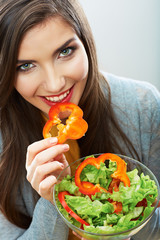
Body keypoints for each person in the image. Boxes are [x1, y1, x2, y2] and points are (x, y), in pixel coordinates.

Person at [0, 0, 160, 239]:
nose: (55, 84)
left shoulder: (144, 105)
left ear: (86, 43)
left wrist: (126, 219)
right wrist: (52, 201)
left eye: (65, 52)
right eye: (26, 65)